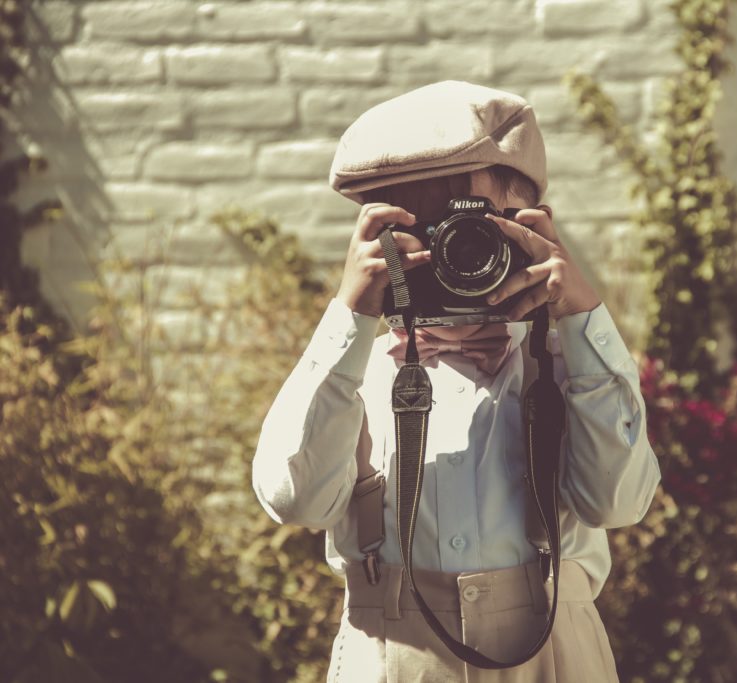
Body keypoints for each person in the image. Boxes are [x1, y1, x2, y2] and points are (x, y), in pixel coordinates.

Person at [251, 80, 661, 683]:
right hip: (391, 654)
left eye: (475, 231)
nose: (452, 252)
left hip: (554, 652)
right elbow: (294, 499)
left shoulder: (569, 364)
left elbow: (619, 503)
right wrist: (348, 317)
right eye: (423, 232)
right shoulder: (351, 367)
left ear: (532, 226)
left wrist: (580, 317)